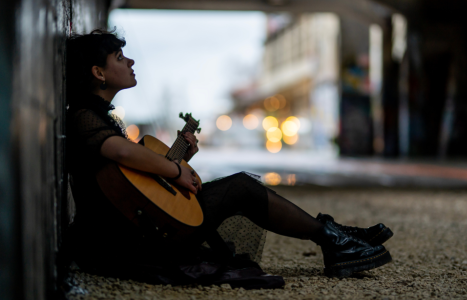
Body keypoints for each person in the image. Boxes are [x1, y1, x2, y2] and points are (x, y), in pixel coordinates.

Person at [65, 29, 393, 288]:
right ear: (98, 72)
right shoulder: (84, 116)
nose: (130, 62)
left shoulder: (101, 116)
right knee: (239, 187)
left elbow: (130, 177)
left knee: (238, 187)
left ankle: (334, 236)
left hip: (140, 222)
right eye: (120, 57)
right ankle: (335, 239)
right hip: (129, 239)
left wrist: (181, 158)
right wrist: (175, 167)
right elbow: (120, 151)